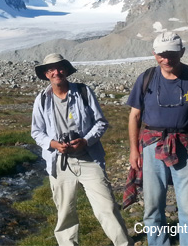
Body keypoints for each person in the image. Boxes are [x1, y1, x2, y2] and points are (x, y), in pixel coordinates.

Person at [123, 32, 188, 246]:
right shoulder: (146, 77)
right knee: (153, 206)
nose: (166, 59)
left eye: (172, 54)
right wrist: (133, 151)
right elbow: (135, 115)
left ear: (182, 52)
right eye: (161, 54)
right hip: (151, 146)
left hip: (187, 145)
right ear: (154, 53)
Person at [30, 53, 132, 246]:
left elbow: (101, 122)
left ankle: (124, 243)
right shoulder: (41, 99)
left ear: (66, 70)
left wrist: (85, 141)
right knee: (65, 212)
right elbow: (37, 132)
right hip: (59, 162)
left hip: (88, 158)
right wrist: (54, 144)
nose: (56, 72)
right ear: (46, 74)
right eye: (51, 69)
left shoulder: (83, 92)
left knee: (107, 206)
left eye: (60, 68)